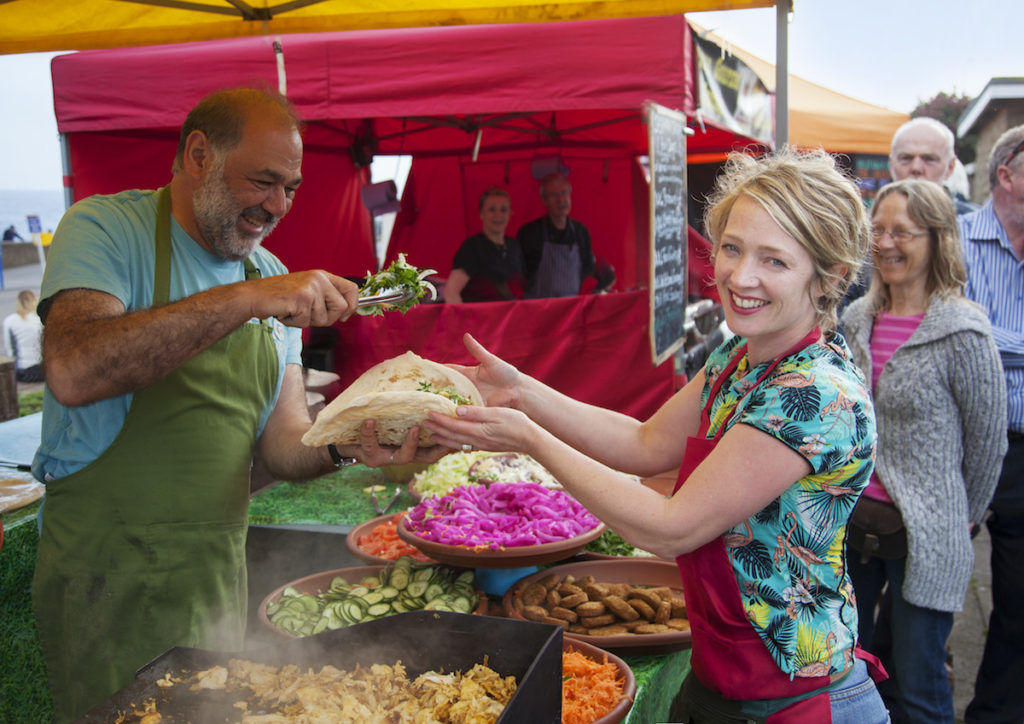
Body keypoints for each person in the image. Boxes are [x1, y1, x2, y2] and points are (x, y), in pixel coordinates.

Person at [426, 148, 890, 722]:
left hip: (798, 701)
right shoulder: (738, 359)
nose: (740, 277)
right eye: (732, 247)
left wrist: (530, 439)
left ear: (831, 278)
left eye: (775, 261)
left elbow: (672, 529)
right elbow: (643, 443)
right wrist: (522, 391)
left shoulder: (816, 393)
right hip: (719, 683)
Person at [30, 86, 434, 723]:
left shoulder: (268, 272)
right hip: (106, 578)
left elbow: (283, 442)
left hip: (216, 575)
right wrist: (246, 301)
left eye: (292, 188)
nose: (276, 206)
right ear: (198, 155)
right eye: (263, 181)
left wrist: (347, 443)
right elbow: (74, 369)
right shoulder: (107, 228)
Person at [841, 180, 1006, 724]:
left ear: (936, 240)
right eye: (878, 230)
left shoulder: (963, 330)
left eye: (902, 232)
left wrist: (958, 520)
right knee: (848, 670)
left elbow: (987, 445)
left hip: (927, 538)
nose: (886, 243)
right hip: (853, 528)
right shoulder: (855, 321)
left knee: (918, 685)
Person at [959, 124, 1024, 724]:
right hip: (956, 445)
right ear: (1007, 173)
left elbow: (973, 328)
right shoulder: (955, 240)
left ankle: (996, 714)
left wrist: (985, 333)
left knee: (1019, 599)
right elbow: (949, 324)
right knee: (928, 587)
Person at [516, 172, 597, 298]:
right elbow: (518, 277)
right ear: (544, 200)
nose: (561, 200)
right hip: (537, 310)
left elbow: (589, 270)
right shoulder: (529, 233)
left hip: (571, 310)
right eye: (554, 195)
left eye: (564, 193)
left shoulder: (581, 231)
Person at [443, 187, 525, 303]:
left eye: (503, 210)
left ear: (510, 213)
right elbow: (451, 293)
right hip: (480, 319)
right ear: (481, 213)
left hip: (510, 319)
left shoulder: (515, 246)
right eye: (492, 209)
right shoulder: (472, 247)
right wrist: (464, 320)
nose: (498, 215)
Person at [889, 117, 978, 215]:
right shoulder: (874, 224)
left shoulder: (976, 226)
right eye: (906, 158)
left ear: (950, 167)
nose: (916, 168)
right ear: (891, 164)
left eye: (929, 159)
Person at [2, 289, 44, 382]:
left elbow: (10, 350)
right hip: (45, 369)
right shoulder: (41, 318)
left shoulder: (10, 321)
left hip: (25, 371)